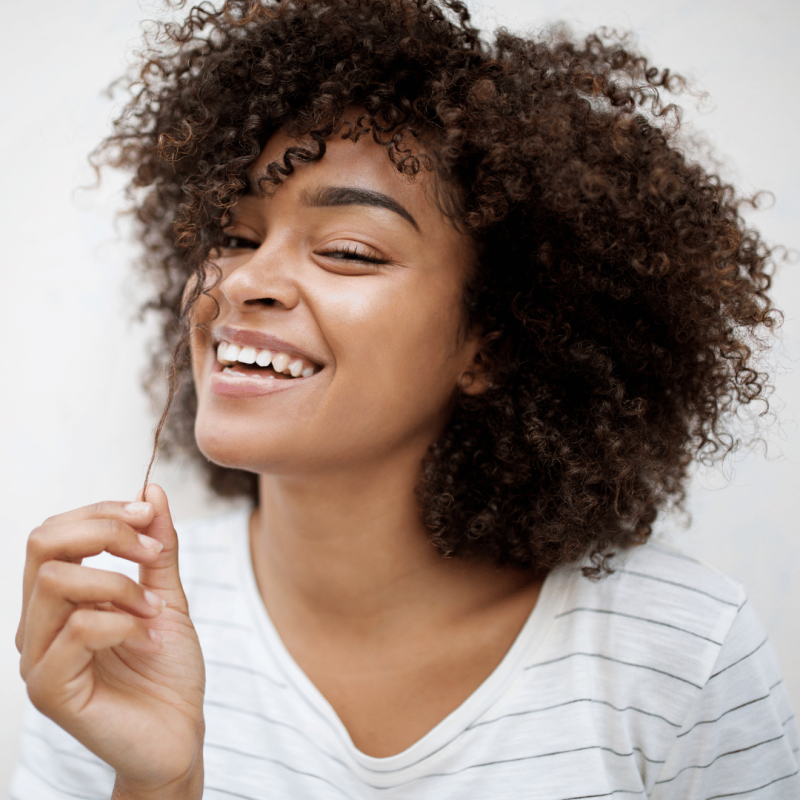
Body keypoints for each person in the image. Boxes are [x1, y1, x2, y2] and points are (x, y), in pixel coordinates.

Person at [11, 0, 799, 798]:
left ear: (491, 343)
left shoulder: (681, 651)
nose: (241, 282)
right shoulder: (116, 630)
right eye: (236, 236)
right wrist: (162, 780)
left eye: (349, 251)